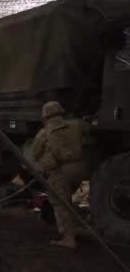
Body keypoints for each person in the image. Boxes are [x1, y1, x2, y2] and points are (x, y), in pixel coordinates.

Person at [33, 101, 83, 249]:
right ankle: (74, 230)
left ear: (45, 116)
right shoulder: (75, 125)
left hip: (59, 172)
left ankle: (68, 238)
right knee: (69, 201)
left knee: (60, 203)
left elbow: (35, 153)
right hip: (78, 170)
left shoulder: (44, 133)